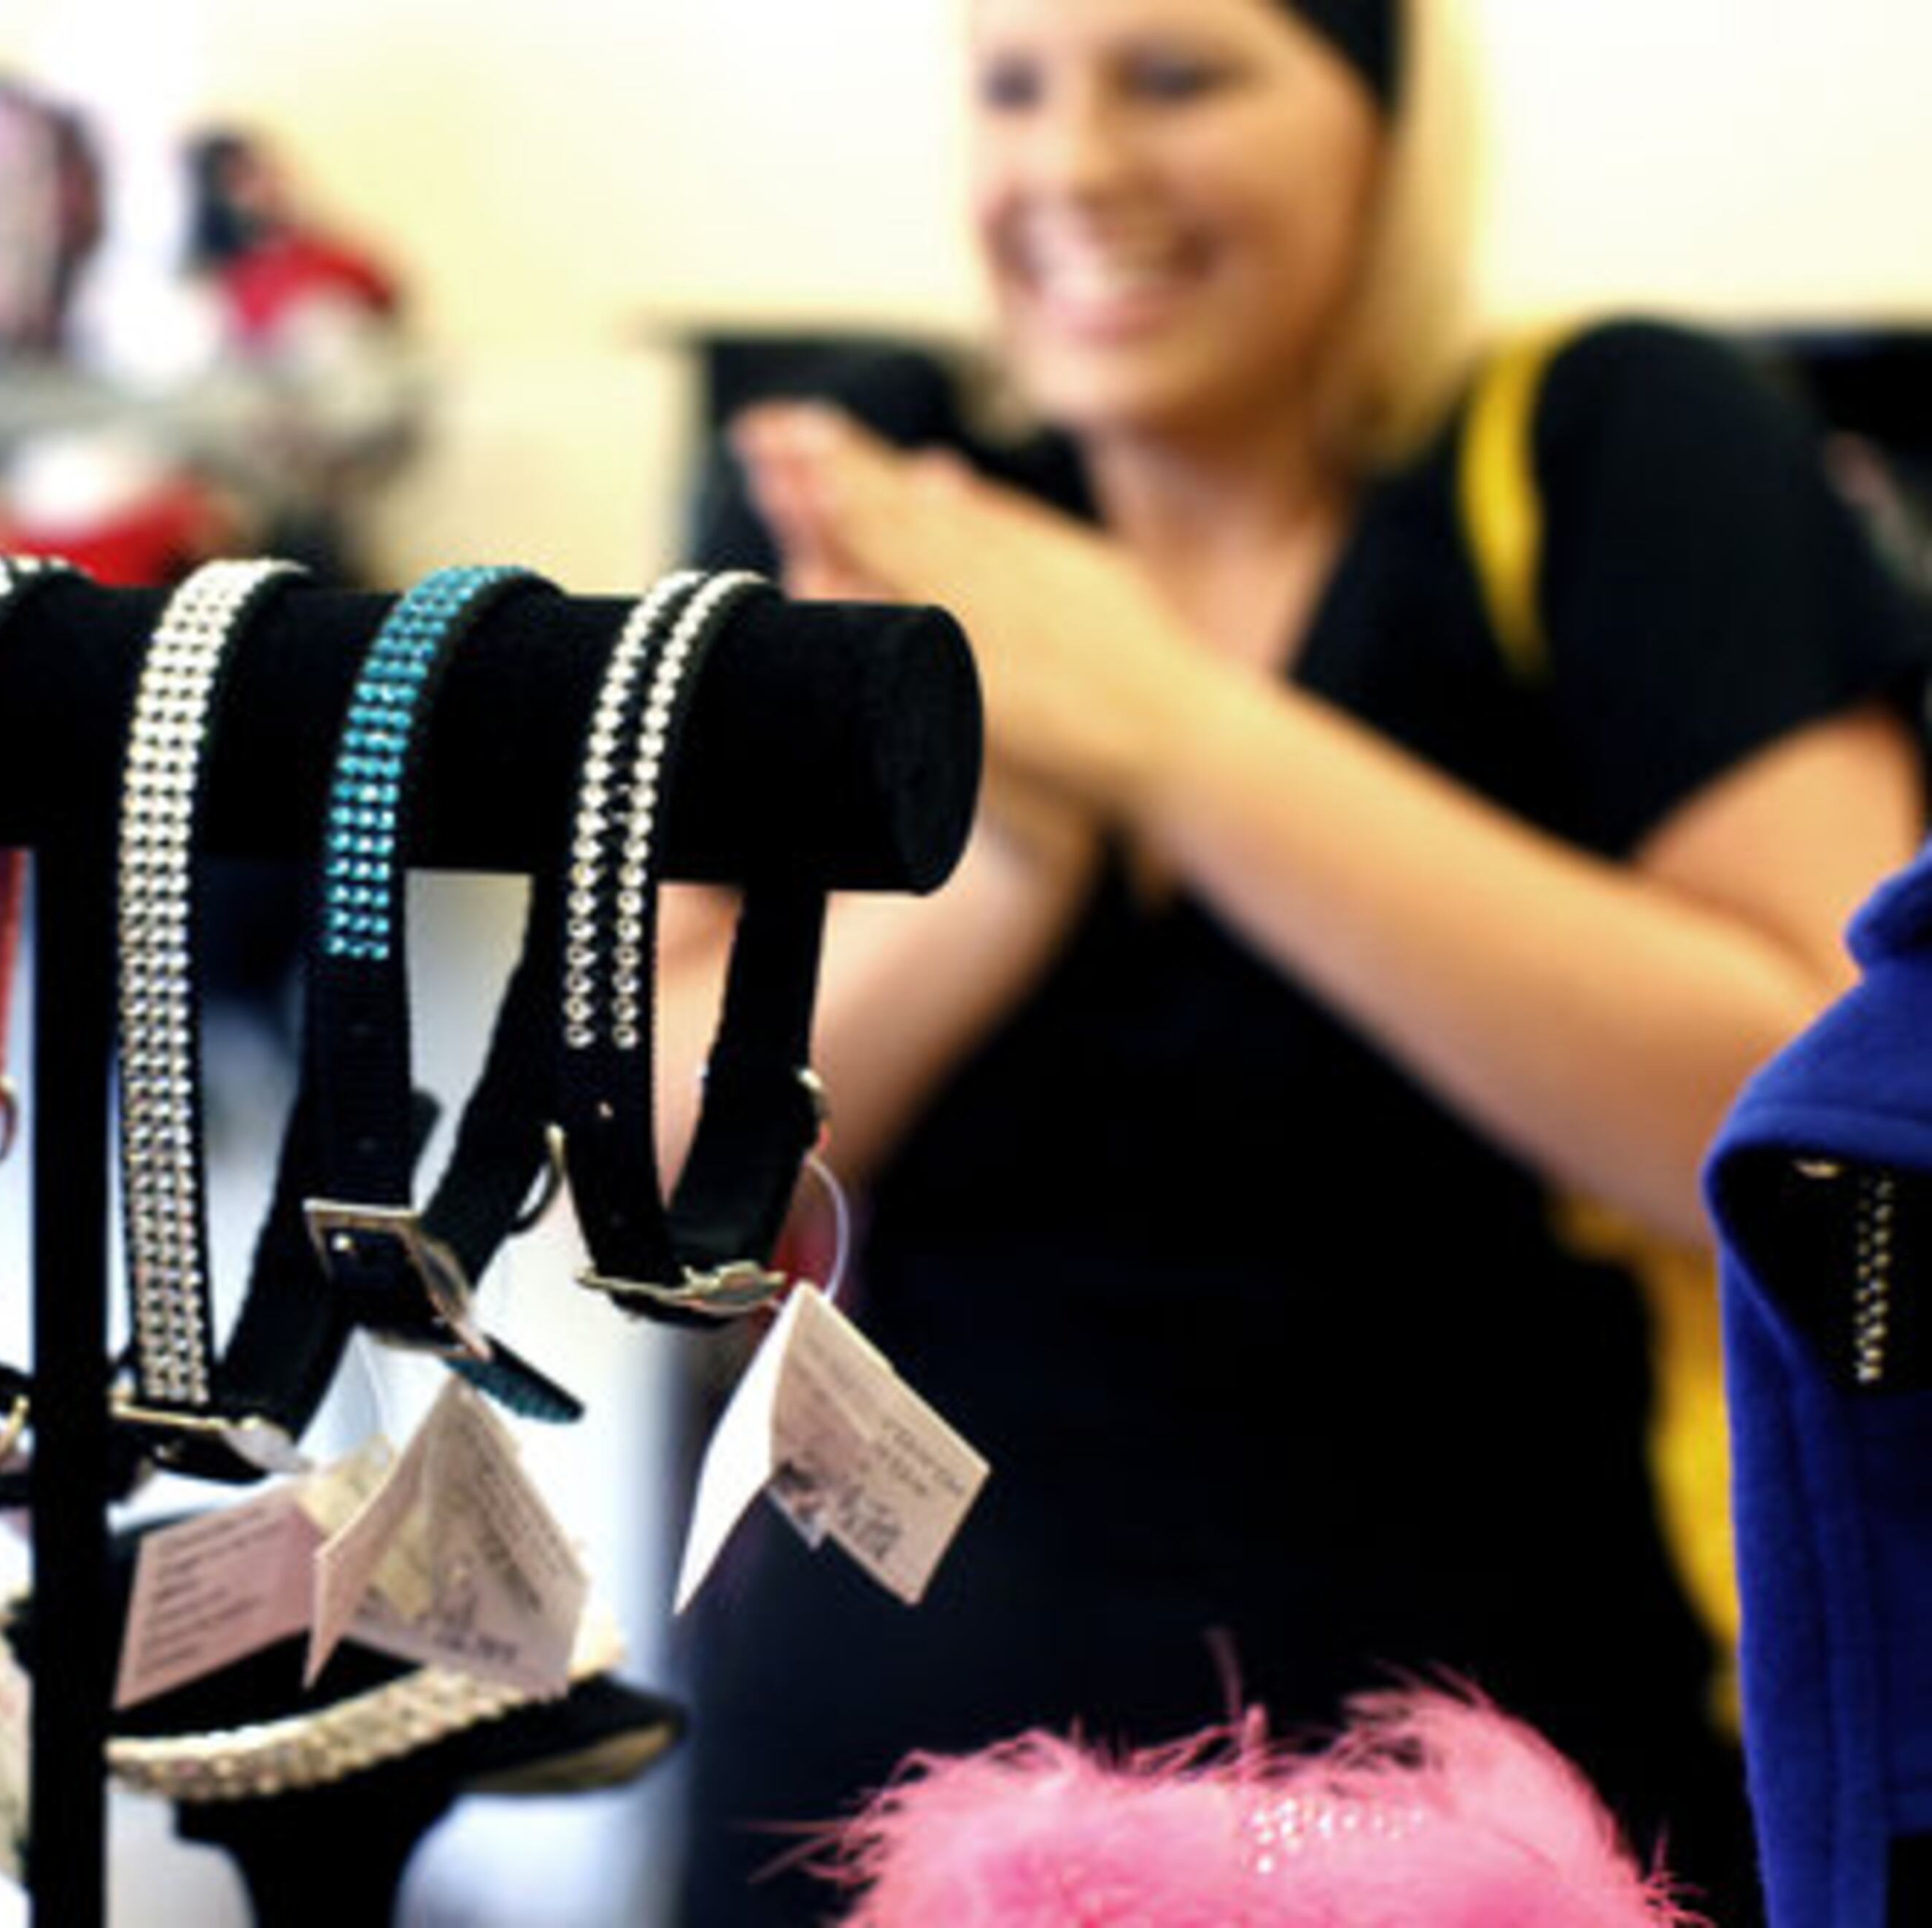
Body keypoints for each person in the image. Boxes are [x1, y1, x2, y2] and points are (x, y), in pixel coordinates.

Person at [665, 3, 1930, 1923]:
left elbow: (1829, 1131)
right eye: (1014, 87)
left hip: (1500, 1815)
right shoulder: (895, 497)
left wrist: (1182, 734)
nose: (1073, 168)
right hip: (862, 1795)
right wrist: (1009, 845)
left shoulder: (1614, 450)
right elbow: (670, 1175)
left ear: (1384, 128)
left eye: (1179, 76)